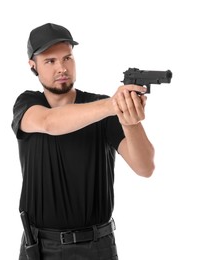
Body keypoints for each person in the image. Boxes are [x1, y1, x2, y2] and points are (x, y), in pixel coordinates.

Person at [11, 23, 155, 260]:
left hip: (97, 247)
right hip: (40, 247)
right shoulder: (27, 104)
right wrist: (113, 104)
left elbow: (145, 167)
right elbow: (49, 123)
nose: (62, 67)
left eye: (67, 58)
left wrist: (129, 119)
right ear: (33, 66)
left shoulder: (101, 108)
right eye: (50, 61)